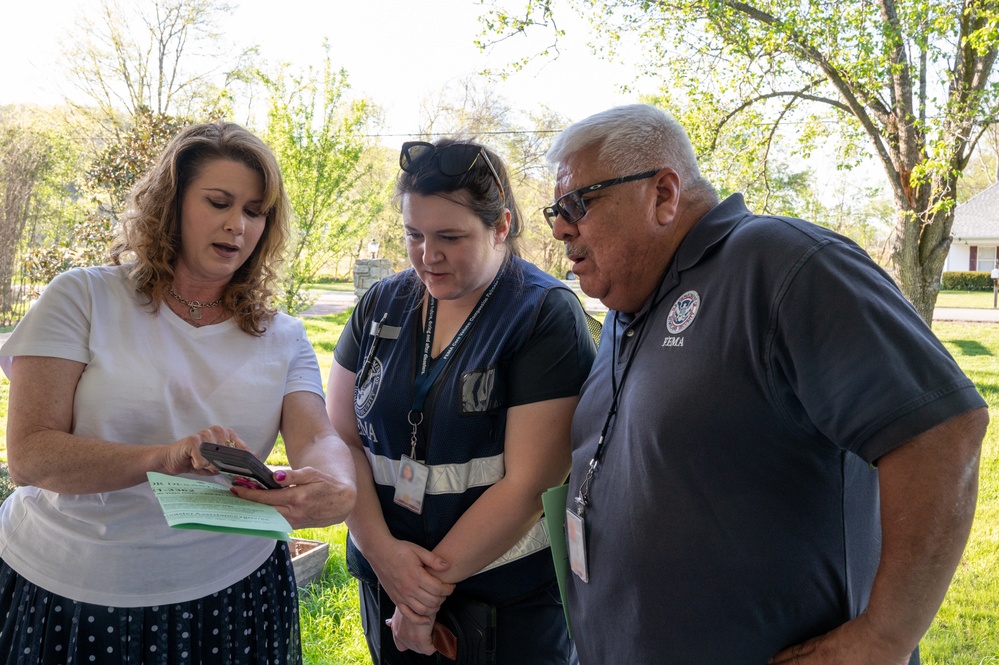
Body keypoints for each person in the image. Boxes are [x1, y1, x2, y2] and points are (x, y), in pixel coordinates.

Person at [542, 104, 989, 664]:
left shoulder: (785, 264)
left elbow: (941, 430)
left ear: (663, 194)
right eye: (555, 211)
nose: (562, 227)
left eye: (578, 203)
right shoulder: (626, 307)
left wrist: (885, 637)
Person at [0, 121, 357, 664]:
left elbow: (319, 436)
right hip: (70, 586)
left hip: (234, 591)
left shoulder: (282, 334)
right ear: (170, 205)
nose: (237, 225)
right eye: (218, 202)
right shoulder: (83, 296)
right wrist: (166, 458)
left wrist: (337, 485)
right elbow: (30, 456)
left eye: (255, 211)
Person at [326, 138, 596, 664]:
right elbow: (340, 437)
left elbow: (530, 483)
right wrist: (387, 562)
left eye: (450, 236)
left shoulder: (543, 315)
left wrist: (420, 595)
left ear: (501, 227)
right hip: (386, 582)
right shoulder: (382, 303)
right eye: (414, 235)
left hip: (504, 603)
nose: (429, 255)